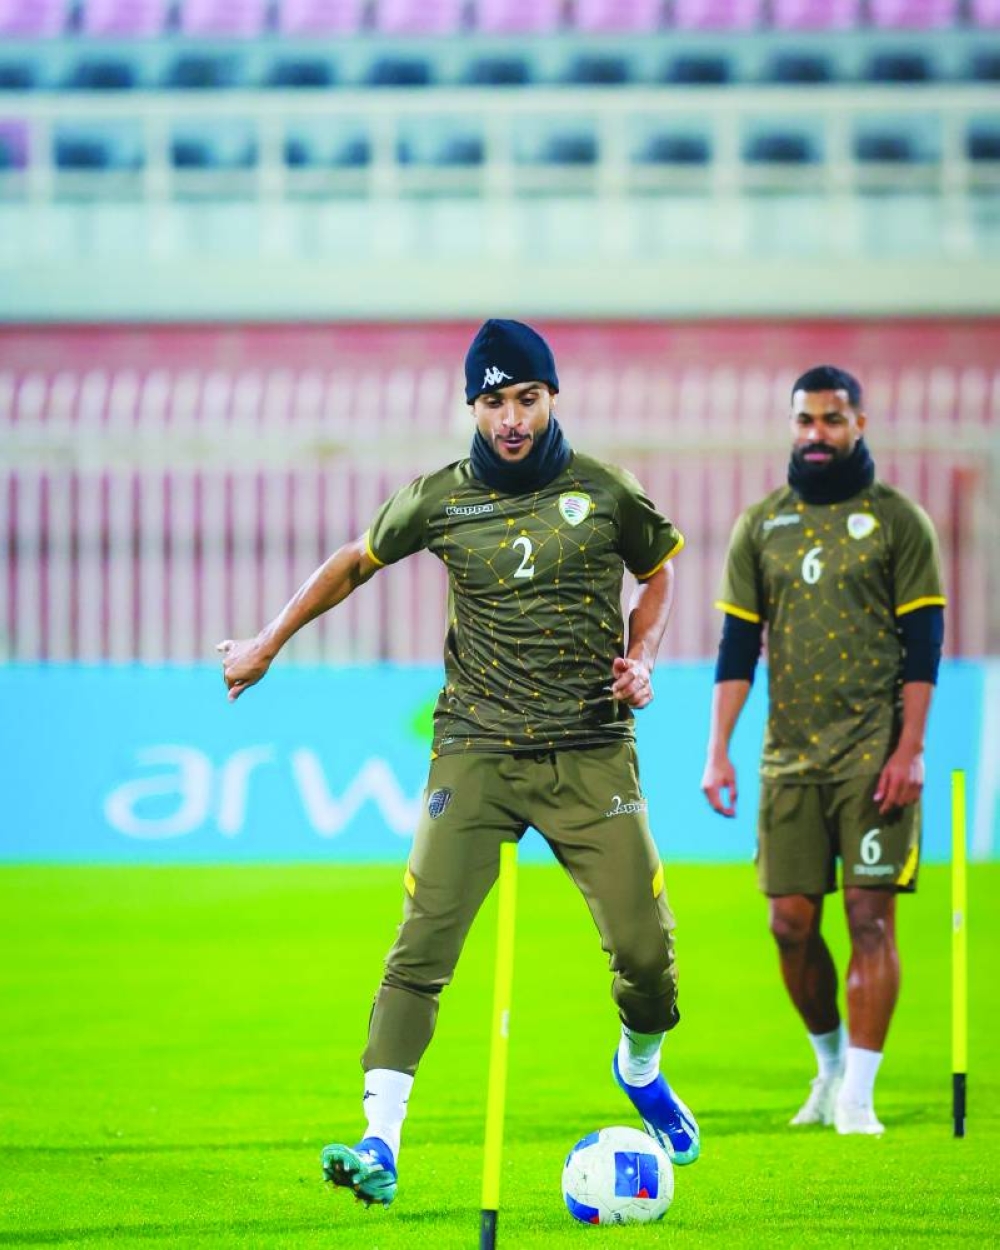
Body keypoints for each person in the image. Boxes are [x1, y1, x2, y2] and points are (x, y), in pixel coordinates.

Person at [218, 319, 698, 1206]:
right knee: (420, 949)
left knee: (645, 955)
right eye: (493, 401)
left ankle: (639, 1066)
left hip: (590, 750)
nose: (510, 418)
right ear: (472, 406)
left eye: (526, 398)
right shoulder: (441, 499)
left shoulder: (605, 491)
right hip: (474, 750)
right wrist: (268, 642)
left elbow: (662, 565)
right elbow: (355, 561)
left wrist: (645, 654)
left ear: (553, 397)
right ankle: (380, 1143)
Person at [701, 365, 946, 1137]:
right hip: (789, 760)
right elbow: (738, 645)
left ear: (859, 426)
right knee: (789, 925)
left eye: (832, 421)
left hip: (874, 757)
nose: (816, 435)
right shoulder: (760, 525)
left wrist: (910, 749)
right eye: (804, 420)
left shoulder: (900, 522)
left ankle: (859, 1098)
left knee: (872, 921)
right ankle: (830, 1064)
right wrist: (719, 751)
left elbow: (924, 644)